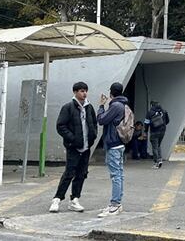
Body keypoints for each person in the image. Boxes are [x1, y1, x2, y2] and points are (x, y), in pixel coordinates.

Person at [50, 81, 97, 213]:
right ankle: (57, 199)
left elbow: (94, 123)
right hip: (73, 147)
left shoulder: (89, 107)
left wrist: (93, 136)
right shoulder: (68, 107)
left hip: (86, 147)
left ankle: (75, 199)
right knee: (69, 173)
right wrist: (73, 139)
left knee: (82, 174)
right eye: (81, 91)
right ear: (75, 92)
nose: (84, 93)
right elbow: (61, 126)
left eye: (86, 91)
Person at [97, 82, 130, 217]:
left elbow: (101, 120)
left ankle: (115, 204)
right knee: (119, 174)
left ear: (111, 92)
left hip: (114, 144)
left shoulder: (116, 105)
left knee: (115, 175)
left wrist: (101, 106)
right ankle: (117, 203)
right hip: (120, 143)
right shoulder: (123, 104)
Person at [145, 100, 170, 169]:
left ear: (151, 105)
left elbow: (146, 123)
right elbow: (167, 121)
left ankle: (156, 162)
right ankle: (160, 159)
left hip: (154, 131)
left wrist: (145, 131)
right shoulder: (164, 111)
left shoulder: (150, 112)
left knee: (154, 147)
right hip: (162, 131)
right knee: (158, 145)